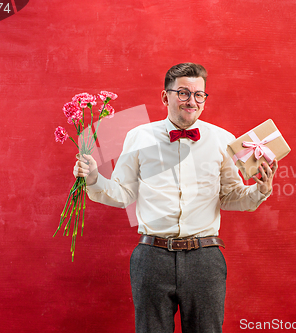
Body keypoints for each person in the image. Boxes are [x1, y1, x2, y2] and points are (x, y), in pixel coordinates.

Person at [73, 63, 277, 333]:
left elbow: (229, 196)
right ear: (165, 96)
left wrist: (260, 189)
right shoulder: (139, 136)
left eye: (198, 94)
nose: (191, 101)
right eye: (182, 93)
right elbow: (123, 193)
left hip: (205, 258)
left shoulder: (222, 140)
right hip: (151, 258)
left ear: (204, 98)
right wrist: (94, 178)